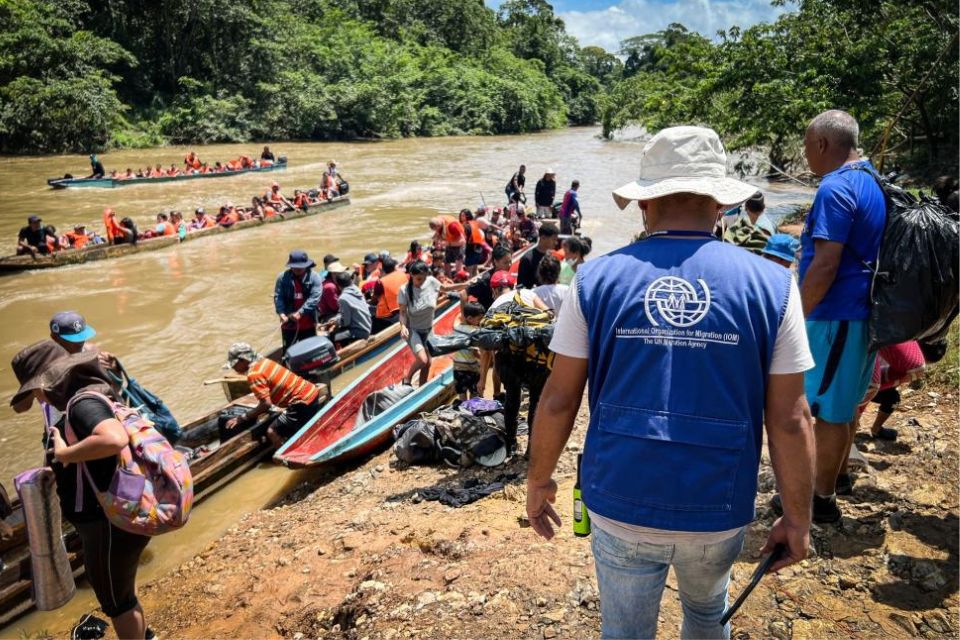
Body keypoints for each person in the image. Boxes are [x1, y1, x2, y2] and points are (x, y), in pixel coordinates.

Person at [526, 125, 816, 640]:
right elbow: (792, 418)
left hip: (620, 496)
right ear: (721, 206)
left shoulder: (593, 281)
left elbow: (558, 399)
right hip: (717, 502)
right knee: (707, 615)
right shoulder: (775, 286)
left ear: (643, 206)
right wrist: (798, 517)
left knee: (625, 630)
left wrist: (538, 480)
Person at [778, 109, 885, 523]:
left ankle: (818, 500)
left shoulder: (835, 188)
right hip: (861, 313)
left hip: (836, 313)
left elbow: (825, 264)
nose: (806, 157)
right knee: (843, 403)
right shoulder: (872, 179)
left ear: (821, 144)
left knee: (819, 409)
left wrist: (795, 319)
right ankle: (835, 477)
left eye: (807, 147)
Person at [11, 347, 152, 640]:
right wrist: (59, 465)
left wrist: (64, 453)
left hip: (106, 521)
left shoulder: (81, 404)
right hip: (116, 514)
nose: (38, 398)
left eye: (36, 390)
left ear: (47, 382)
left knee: (117, 603)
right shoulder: (90, 395)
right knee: (121, 589)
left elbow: (113, 439)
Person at [482, 270, 549, 456]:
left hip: (509, 360)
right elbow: (549, 316)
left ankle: (511, 445)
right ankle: (531, 448)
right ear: (513, 286)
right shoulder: (528, 294)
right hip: (536, 357)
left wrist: (487, 379)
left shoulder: (493, 308)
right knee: (535, 400)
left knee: (512, 398)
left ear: (494, 291)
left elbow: (489, 348)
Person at [224, 343, 321, 448]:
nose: (233, 368)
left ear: (243, 359)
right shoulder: (265, 362)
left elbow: (266, 404)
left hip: (301, 402)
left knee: (272, 431)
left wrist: (242, 418)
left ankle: (285, 458)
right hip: (311, 391)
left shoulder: (254, 375)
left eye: (234, 364)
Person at [397, 261, 458, 386]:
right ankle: (407, 379)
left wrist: (466, 285)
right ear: (411, 276)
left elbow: (445, 288)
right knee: (423, 360)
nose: (422, 282)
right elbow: (402, 313)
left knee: (428, 363)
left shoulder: (431, 281)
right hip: (413, 330)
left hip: (428, 329)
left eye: (424, 279)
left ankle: (422, 386)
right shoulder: (404, 290)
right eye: (419, 279)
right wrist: (403, 327)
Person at [274, 250, 323, 352]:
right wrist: (281, 313)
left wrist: (301, 313)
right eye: (294, 267)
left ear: (306, 265)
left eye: (300, 267)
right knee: (288, 351)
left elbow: (315, 298)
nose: (297, 269)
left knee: (309, 351)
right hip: (289, 325)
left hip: (308, 324)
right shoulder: (282, 278)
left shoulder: (315, 278)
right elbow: (278, 297)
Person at [324, 270, 372, 346]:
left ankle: (344, 354)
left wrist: (336, 322)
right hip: (367, 326)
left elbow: (346, 322)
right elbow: (343, 313)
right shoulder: (356, 289)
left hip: (359, 332)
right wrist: (336, 319)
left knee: (332, 337)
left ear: (338, 285)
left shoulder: (343, 298)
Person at [453, 301, 485, 400]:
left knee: (462, 393)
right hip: (471, 369)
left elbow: (457, 318)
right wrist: (484, 359)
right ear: (470, 318)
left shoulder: (457, 328)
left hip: (458, 368)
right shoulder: (474, 332)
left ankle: (463, 412)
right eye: (479, 319)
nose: (480, 321)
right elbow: (475, 352)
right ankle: (471, 414)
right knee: (474, 394)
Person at [467, 244, 512, 310]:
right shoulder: (485, 279)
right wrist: (464, 318)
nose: (509, 265)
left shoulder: (506, 275)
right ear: (496, 262)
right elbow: (463, 294)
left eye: (510, 261)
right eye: (505, 263)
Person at [517, 223, 559, 289]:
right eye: (553, 239)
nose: (556, 243)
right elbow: (521, 287)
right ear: (543, 238)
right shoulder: (527, 259)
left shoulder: (551, 257)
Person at [371, 257, 407, 333]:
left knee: (372, 317)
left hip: (392, 316)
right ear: (394, 267)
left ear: (383, 269)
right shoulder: (403, 274)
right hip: (407, 308)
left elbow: (374, 300)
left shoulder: (380, 282)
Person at [318, 257, 347, 322]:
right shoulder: (330, 287)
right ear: (333, 274)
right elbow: (336, 307)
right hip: (326, 316)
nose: (343, 274)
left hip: (331, 313)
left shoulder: (333, 283)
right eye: (341, 273)